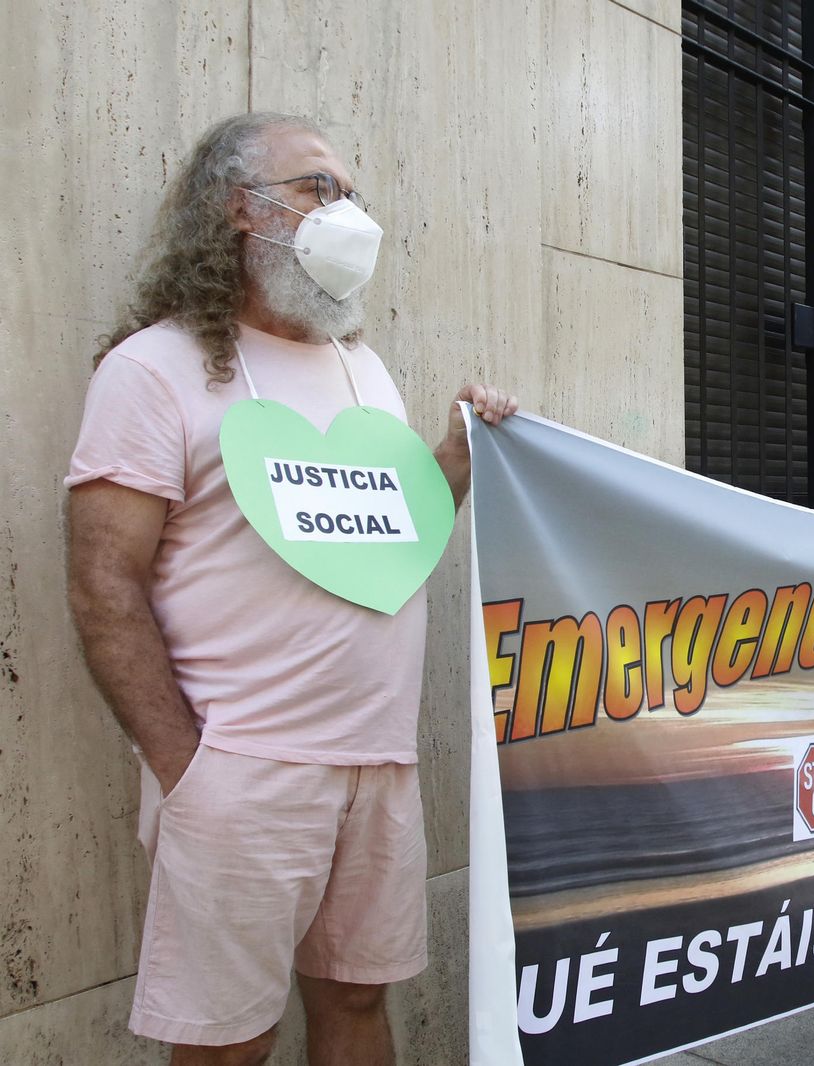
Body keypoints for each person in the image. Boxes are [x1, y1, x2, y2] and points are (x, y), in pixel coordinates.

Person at [65, 113, 517, 1065]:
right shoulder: (152, 370)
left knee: (358, 1009)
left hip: (379, 762)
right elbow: (105, 586)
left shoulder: (362, 369)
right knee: (231, 1043)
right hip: (243, 770)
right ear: (240, 209)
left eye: (350, 193)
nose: (344, 210)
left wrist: (458, 454)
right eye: (318, 188)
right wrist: (188, 767)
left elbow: (384, 538)